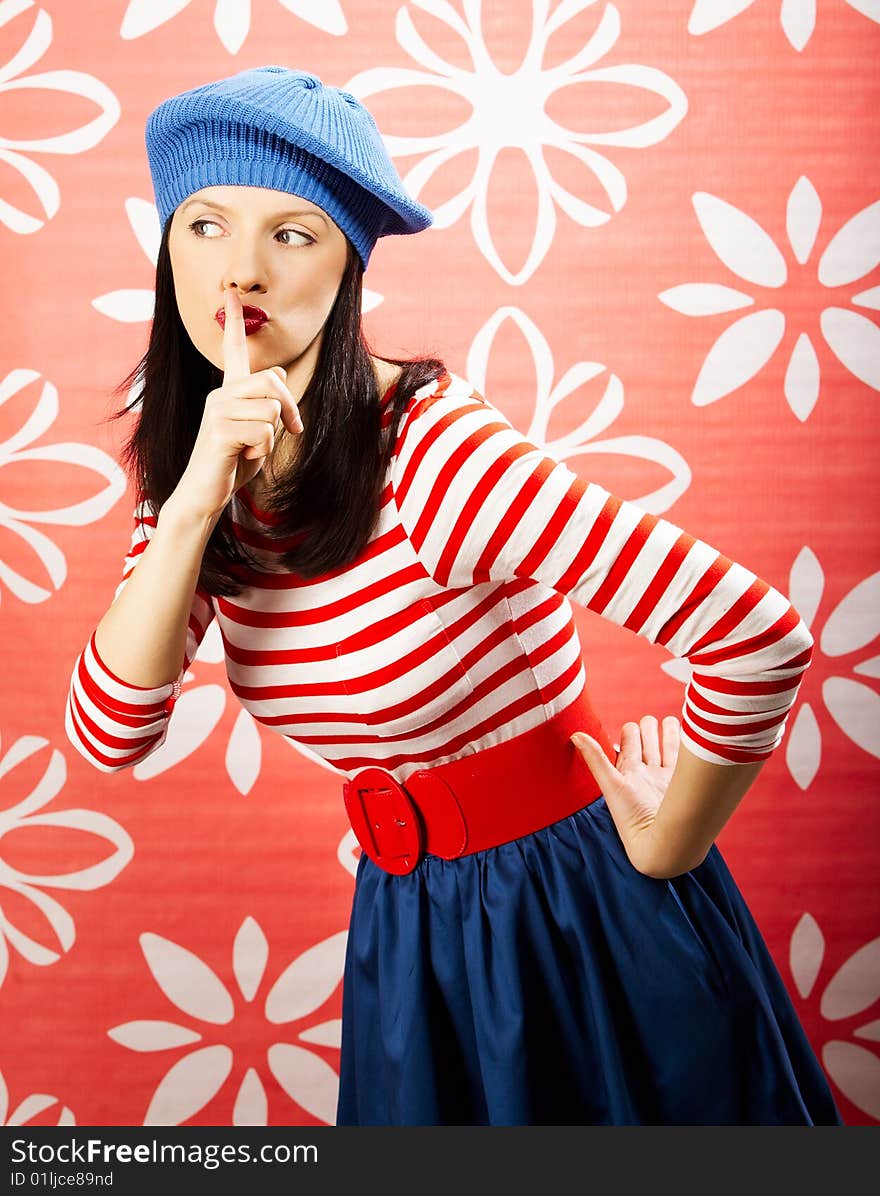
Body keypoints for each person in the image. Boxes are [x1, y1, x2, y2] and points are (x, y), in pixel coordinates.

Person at [64, 64, 844, 1127]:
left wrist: (673, 837)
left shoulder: (435, 455)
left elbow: (756, 634)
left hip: (578, 915)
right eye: (203, 225)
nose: (238, 270)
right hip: (411, 924)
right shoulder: (200, 464)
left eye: (292, 234)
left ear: (348, 266)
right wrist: (195, 500)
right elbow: (110, 732)